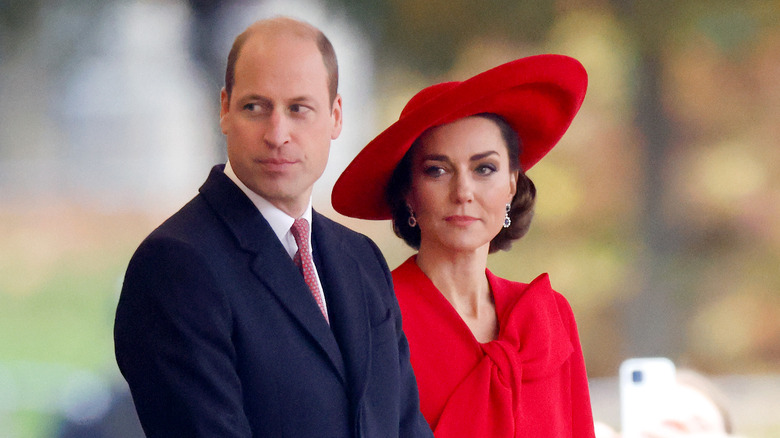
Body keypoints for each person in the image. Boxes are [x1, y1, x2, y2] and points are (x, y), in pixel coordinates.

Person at [114, 17, 432, 437]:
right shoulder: (175, 265)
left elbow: (406, 425)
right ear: (224, 110)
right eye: (255, 107)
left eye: (299, 108)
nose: (277, 134)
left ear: (336, 116)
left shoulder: (361, 259)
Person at [332, 55, 595, 437]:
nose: (463, 192)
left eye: (484, 168)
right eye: (437, 170)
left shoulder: (549, 315)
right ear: (408, 192)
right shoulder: (371, 319)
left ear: (512, 183)